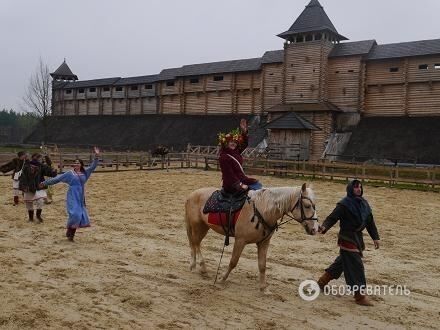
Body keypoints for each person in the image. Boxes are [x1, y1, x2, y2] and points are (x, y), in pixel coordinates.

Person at [317, 179, 380, 306]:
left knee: (342, 262)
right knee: (356, 264)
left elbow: (370, 222)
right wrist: (324, 227)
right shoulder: (344, 204)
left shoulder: (364, 204)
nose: (359, 189)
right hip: (346, 237)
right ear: (350, 189)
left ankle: (321, 282)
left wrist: (375, 237)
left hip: (357, 238)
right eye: (356, 187)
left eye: (360, 187)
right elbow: (332, 218)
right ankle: (359, 296)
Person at [40, 147, 100, 242]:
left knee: (79, 215)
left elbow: (93, 166)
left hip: (80, 196)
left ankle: (71, 234)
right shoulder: (69, 173)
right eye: (75, 163)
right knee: (74, 214)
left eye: (78, 163)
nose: (76, 164)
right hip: (72, 195)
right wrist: (45, 183)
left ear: (81, 165)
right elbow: (57, 179)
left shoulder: (85, 172)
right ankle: (70, 229)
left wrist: (96, 156)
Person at [218, 118, 262, 194]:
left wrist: (244, 132)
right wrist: (240, 184)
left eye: (235, 142)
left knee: (258, 185)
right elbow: (228, 174)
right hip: (231, 183)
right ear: (226, 143)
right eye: (231, 142)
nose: (233, 144)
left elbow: (244, 144)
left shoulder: (235, 152)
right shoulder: (224, 157)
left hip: (241, 179)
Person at [19, 153, 57, 222]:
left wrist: (53, 171)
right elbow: (22, 177)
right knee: (29, 203)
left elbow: (50, 172)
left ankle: (38, 216)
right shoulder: (26, 166)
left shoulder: (42, 166)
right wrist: (23, 186)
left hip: (39, 186)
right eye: (38, 158)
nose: (40, 159)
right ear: (33, 157)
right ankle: (31, 218)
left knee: (40, 201)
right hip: (28, 187)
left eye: (40, 158)